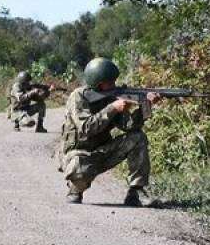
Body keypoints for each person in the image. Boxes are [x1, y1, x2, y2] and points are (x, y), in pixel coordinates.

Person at [58, 57, 162, 207]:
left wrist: (146, 106)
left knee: (137, 138)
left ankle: (136, 192)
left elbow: (129, 126)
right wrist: (113, 108)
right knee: (79, 167)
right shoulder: (78, 96)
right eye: (110, 82)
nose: (115, 85)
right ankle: (75, 189)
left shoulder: (111, 97)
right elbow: (87, 127)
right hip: (78, 154)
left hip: (103, 151)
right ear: (99, 84)